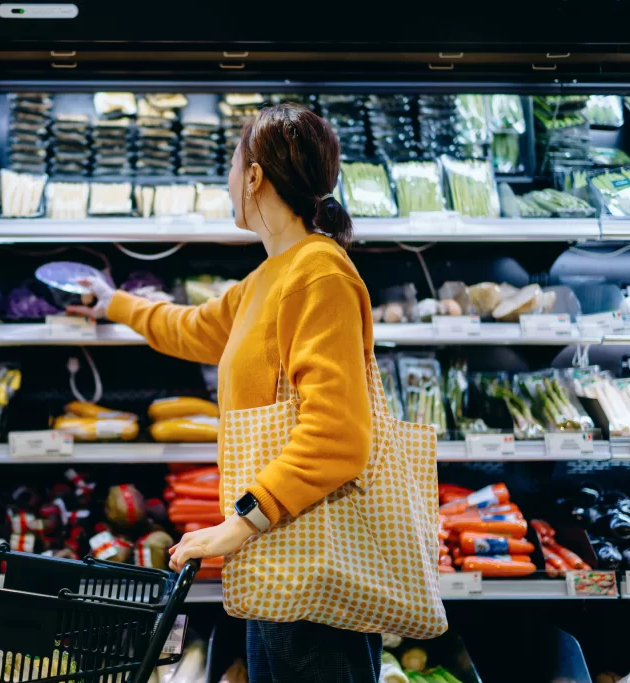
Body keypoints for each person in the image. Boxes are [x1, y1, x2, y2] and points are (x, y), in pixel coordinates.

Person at [69, 103, 380, 683]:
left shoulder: (320, 275)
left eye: (233, 165)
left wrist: (239, 522)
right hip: (280, 560)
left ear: (256, 176)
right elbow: (190, 328)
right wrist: (111, 301)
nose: (228, 181)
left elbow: (338, 436)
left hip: (314, 574)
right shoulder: (270, 277)